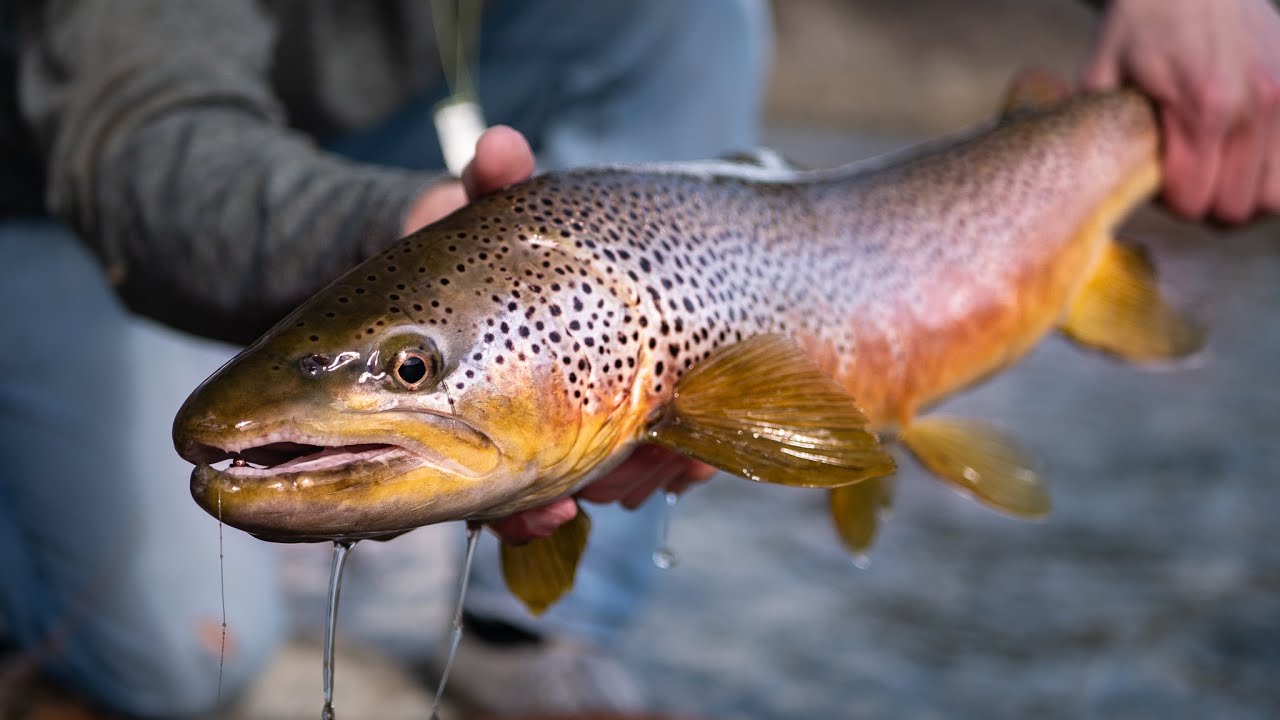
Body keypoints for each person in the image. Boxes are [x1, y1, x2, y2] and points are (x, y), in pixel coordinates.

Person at [0, 0, 1277, 717]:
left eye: (405, 376)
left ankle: (515, 628)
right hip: (67, 183)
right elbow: (135, 138)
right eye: (407, 374)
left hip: (454, 140)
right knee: (169, 670)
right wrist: (377, 240)